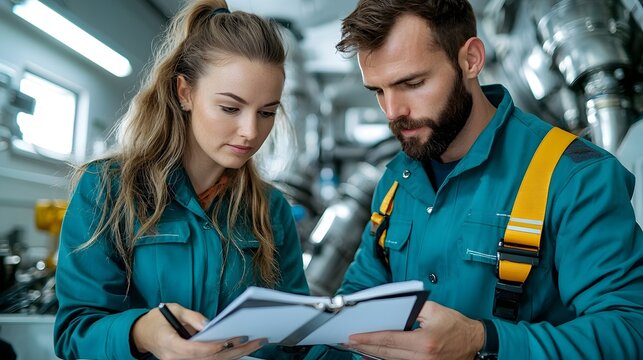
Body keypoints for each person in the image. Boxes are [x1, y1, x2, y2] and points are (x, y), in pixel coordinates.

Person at [333, 0, 643, 359]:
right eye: (378, 91)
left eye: (412, 83)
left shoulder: (575, 178)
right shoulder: (394, 185)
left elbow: (630, 330)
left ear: (471, 60)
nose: (393, 111)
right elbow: (355, 314)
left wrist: (484, 341)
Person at [53, 1, 310, 359]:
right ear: (185, 93)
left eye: (266, 112)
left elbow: (297, 338)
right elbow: (73, 334)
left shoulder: (272, 209)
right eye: (230, 108)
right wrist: (142, 333)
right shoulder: (106, 189)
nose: (251, 132)